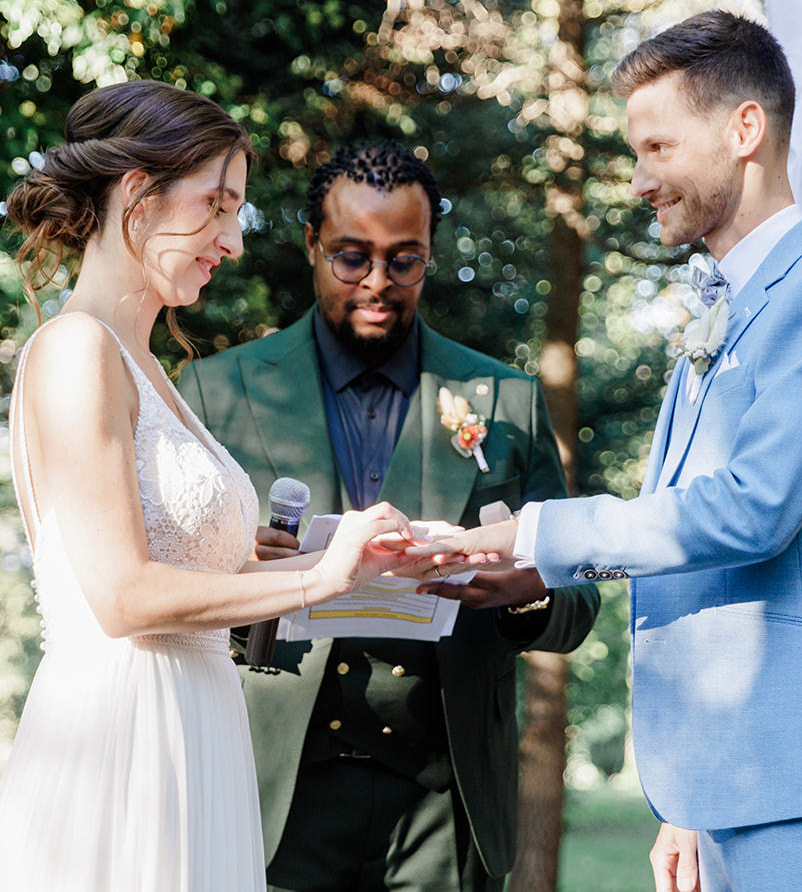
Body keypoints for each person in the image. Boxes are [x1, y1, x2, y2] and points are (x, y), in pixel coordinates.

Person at [406, 12, 802, 892]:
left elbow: (753, 510)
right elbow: (701, 551)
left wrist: (531, 533)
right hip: (731, 778)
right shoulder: (724, 307)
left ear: (744, 130)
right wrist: (691, 794)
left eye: (658, 147)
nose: (641, 179)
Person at [0, 81, 417, 892]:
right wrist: (321, 575)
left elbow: (201, 576)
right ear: (139, 195)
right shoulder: (76, 348)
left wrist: (360, 561)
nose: (233, 240)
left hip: (197, 724)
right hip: (123, 737)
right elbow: (122, 594)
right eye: (217, 205)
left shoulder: (150, 368)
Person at [178, 141, 601, 892]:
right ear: (312, 243)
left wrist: (523, 591)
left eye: (404, 260)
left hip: (444, 803)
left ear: (429, 252)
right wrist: (239, 566)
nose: (378, 283)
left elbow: (575, 601)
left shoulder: (504, 397)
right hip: (272, 790)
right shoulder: (219, 389)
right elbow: (169, 591)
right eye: (351, 257)